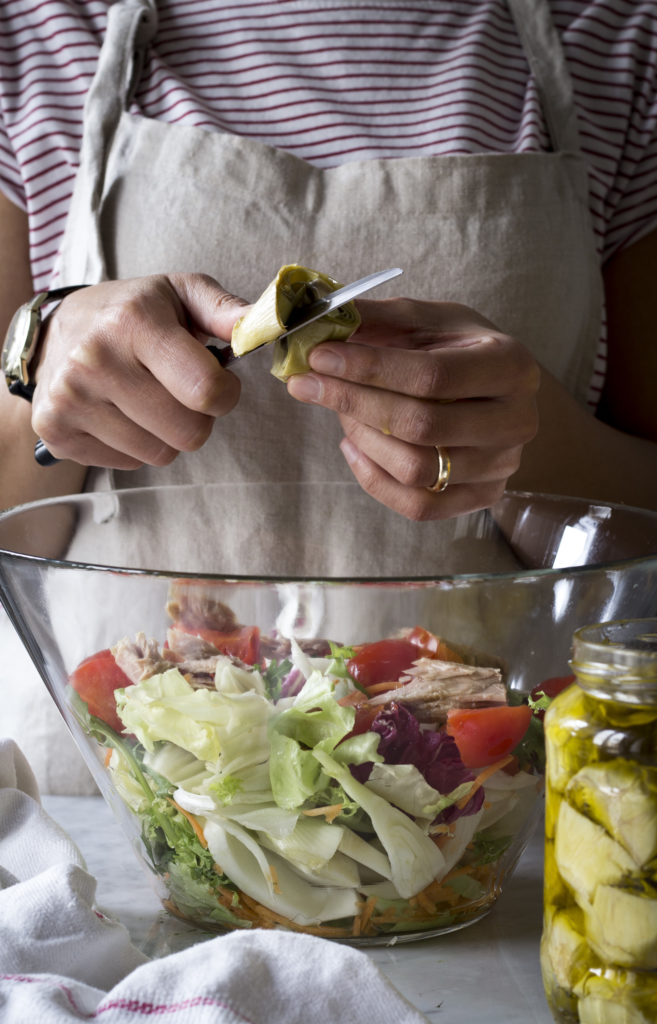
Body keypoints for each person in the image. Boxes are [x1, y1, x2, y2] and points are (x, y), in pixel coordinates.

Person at [0, 0, 656, 793]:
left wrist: (529, 436)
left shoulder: (622, 39)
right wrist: (39, 353)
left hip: (491, 816)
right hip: (128, 808)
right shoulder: (38, 28)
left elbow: (641, 528)